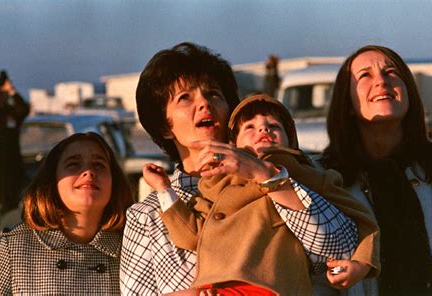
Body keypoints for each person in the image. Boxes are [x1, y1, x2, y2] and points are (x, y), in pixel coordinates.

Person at [120, 42, 359, 295]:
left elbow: (342, 251)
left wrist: (266, 176)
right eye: (185, 97)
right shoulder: (148, 216)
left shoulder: (285, 176)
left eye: (214, 94)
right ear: (164, 127)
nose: (204, 104)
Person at [142, 94, 380, 294]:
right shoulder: (215, 185)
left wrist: (362, 264)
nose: (264, 129)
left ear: (291, 141)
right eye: (250, 127)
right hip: (216, 287)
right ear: (233, 144)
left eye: (274, 126)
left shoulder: (305, 175)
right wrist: (164, 190)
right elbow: (191, 236)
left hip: (271, 285)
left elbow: (363, 219)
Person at [317, 45, 432, 296]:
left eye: (391, 72)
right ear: (348, 103)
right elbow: (315, 276)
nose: (381, 81)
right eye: (365, 75)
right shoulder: (322, 180)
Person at [0, 132, 134, 294]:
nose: (88, 172)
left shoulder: (132, 246)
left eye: (99, 165)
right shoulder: (17, 246)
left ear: (114, 182)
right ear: (52, 181)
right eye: (74, 164)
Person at [0, 71, 30, 215]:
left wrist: (11, 90)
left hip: (10, 166)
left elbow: (24, 109)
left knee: (11, 205)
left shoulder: (10, 112)